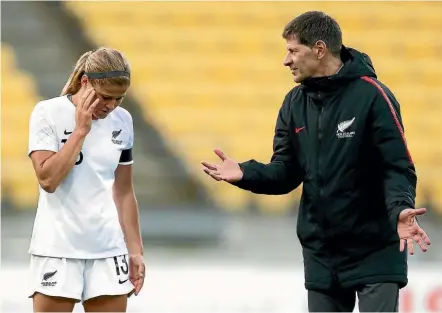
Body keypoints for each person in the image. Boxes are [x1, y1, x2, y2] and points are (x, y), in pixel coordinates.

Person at [202, 11, 432, 312]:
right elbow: (286, 172)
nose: (287, 60)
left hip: (375, 246)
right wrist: (246, 173)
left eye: (293, 51)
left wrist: (401, 208)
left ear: (320, 49)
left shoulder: (373, 96)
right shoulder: (294, 103)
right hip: (323, 253)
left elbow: (397, 166)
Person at [27, 47, 145, 312]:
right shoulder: (47, 113)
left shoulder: (123, 121)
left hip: (107, 250)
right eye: (105, 97)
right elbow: (47, 180)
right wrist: (80, 131)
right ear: (85, 82)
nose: (111, 106)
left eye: (119, 99)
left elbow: (124, 192)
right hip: (56, 249)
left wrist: (135, 250)